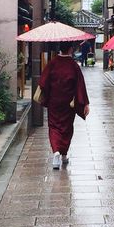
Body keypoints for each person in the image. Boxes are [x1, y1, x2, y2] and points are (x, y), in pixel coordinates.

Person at [39, 41, 90, 169]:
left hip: (54, 102)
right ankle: (64, 155)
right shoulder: (74, 66)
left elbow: (43, 82)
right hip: (68, 104)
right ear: (71, 49)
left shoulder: (52, 63)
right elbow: (80, 86)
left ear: (60, 49)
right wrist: (85, 103)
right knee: (66, 128)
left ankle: (56, 151)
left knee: (54, 127)